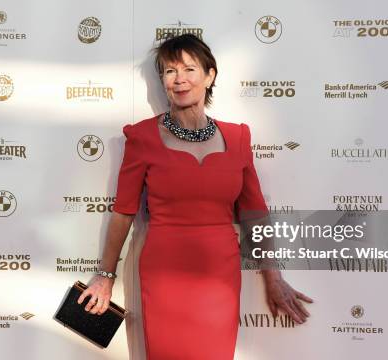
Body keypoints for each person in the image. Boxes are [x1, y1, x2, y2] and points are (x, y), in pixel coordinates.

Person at [78, 34, 313, 359]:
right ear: (161, 80)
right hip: (164, 275)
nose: (179, 79)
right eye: (169, 71)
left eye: (189, 69)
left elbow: (255, 215)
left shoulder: (238, 137)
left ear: (210, 75)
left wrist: (272, 277)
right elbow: (123, 212)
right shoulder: (143, 137)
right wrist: (105, 277)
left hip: (219, 278)